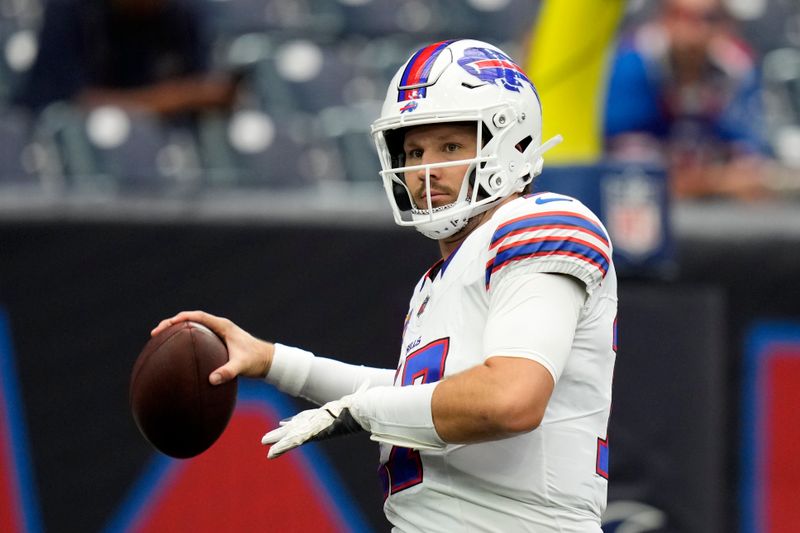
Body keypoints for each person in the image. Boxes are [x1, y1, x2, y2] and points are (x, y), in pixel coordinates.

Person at [153, 39, 617, 532]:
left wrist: (361, 411)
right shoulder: (441, 279)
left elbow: (510, 398)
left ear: (512, 142)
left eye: (451, 146)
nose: (424, 170)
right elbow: (413, 397)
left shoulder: (541, 223)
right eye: (414, 150)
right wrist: (273, 361)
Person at [604, 0, 772, 200]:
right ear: (663, 18)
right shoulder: (631, 65)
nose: (694, 30)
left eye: (708, 18)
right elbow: (629, 174)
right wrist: (716, 182)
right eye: (682, 16)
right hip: (639, 205)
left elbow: (751, 169)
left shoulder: (737, 68)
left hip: (717, 212)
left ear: (725, 24)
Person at [12, 0, 236, 116]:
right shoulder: (71, 11)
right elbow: (72, 106)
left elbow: (208, 93)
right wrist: (180, 97)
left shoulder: (181, 17)